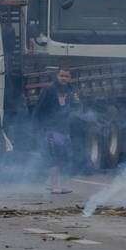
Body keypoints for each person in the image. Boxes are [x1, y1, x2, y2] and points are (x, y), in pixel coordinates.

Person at [33, 66, 79, 194]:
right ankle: (55, 186)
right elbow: (38, 109)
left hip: (64, 129)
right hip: (50, 129)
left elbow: (76, 107)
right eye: (62, 76)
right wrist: (37, 128)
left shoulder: (71, 91)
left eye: (66, 76)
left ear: (70, 78)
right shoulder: (49, 90)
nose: (64, 79)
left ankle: (56, 184)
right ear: (57, 76)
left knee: (63, 158)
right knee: (53, 157)